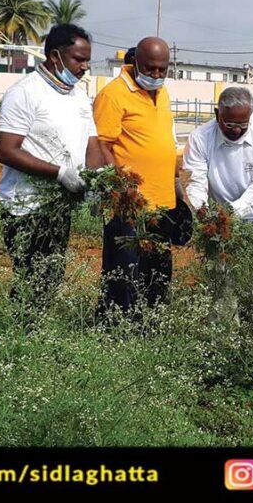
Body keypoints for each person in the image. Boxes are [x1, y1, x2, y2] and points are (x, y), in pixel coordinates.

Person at [0, 24, 103, 298]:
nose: (85, 67)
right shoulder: (25, 92)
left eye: (87, 60)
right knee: (32, 279)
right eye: (79, 59)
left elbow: (92, 144)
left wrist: (99, 178)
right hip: (26, 206)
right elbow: (6, 150)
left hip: (58, 205)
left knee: (51, 277)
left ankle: (33, 332)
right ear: (56, 57)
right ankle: (22, 335)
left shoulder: (79, 96)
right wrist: (59, 173)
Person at [93, 36, 184, 315]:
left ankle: (150, 321)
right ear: (135, 63)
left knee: (157, 270)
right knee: (124, 270)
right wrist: (123, 189)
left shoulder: (163, 92)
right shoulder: (113, 94)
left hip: (162, 201)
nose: (156, 75)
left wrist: (177, 189)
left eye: (162, 69)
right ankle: (117, 326)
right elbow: (101, 145)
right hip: (128, 205)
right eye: (150, 69)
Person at [183, 87, 253, 230]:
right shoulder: (200, 138)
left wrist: (231, 212)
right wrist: (202, 210)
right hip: (221, 224)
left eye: (243, 124)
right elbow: (196, 180)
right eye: (229, 124)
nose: (236, 130)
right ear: (217, 114)